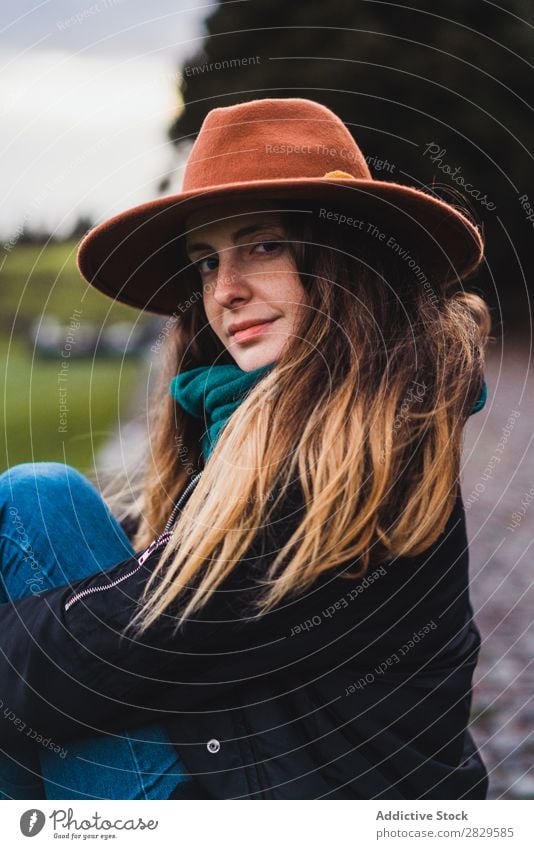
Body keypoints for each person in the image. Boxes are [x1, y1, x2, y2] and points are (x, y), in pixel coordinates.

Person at [0, 97, 491, 800]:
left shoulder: (341, 454)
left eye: (263, 245)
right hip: (263, 774)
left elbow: (111, 641)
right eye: (204, 264)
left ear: (344, 258)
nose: (225, 291)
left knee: (33, 508)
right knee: (42, 507)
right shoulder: (294, 419)